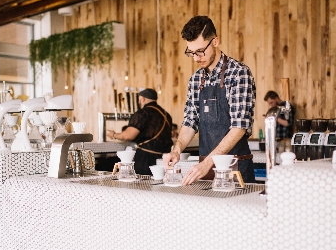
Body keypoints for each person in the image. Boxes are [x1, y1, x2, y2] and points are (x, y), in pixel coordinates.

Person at [163, 15, 256, 185]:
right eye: (191, 53)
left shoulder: (238, 73)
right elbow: (190, 121)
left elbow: (239, 127)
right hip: (205, 170)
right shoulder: (196, 79)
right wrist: (176, 150)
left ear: (215, 41)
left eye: (200, 51)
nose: (196, 58)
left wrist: (207, 163)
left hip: (235, 170)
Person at [107, 88, 173, 175]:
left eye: (139, 100)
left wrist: (113, 134)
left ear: (142, 99)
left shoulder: (143, 113)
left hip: (146, 159)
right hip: (164, 159)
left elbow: (128, 136)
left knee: (143, 185)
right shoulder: (166, 114)